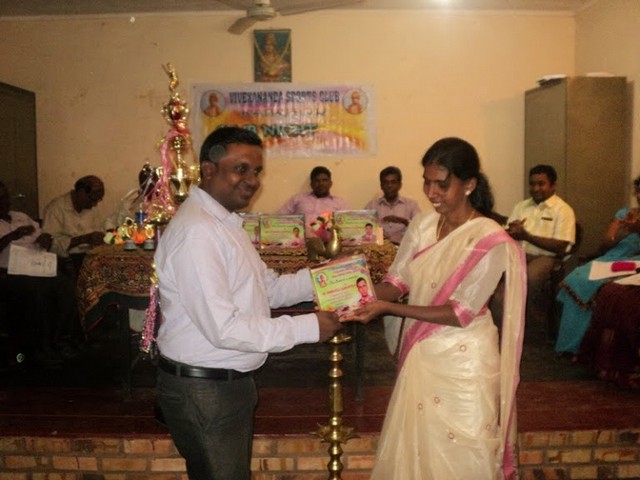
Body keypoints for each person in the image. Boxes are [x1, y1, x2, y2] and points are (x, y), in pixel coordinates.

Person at [154, 126, 342, 480]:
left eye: (256, 171)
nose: (253, 180)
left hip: (223, 385)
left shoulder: (225, 224)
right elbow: (224, 328)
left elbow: (266, 289)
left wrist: (328, 278)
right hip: (206, 390)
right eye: (240, 169)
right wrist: (308, 327)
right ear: (208, 170)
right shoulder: (198, 232)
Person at [349, 137, 526, 479]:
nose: (432, 193)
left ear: (469, 184)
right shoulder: (423, 225)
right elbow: (397, 281)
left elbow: (459, 313)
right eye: (426, 183)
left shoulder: (488, 239)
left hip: (465, 360)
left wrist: (388, 308)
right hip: (423, 356)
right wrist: (354, 295)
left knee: (463, 456)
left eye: (442, 185)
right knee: (417, 450)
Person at [555, 176, 640, 355]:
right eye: (638, 191)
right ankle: (571, 345)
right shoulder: (624, 214)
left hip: (634, 262)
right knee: (577, 278)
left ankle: (587, 347)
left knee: (599, 286)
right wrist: (623, 233)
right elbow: (605, 245)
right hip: (612, 258)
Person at [0, 180, 77, 367]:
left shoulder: (20, 216)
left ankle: (59, 340)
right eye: (0, 199)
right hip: (10, 271)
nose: (5, 202)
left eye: (6, 197)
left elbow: (43, 235)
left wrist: (44, 239)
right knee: (38, 292)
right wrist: (13, 236)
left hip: (37, 264)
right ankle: (41, 347)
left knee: (65, 286)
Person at [506, 164, 575, 325]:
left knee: (531, 276)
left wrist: (526, 236)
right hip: (518, 254)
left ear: (553, 185)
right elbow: (508, 232)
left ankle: (535, 325)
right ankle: (508, 322)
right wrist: (512, 232)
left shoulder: (563, 210)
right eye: (532, 184)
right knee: (495, 271)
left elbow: (561, 246)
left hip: (546, 258)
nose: (535, 188)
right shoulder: (521, 206)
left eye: (541, 184)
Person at [42, 175, 106, 273]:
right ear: (81, 193)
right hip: (65, 260)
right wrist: (82, 239)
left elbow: (100, 233)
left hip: (90, 257)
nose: (95, 204)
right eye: (93, 199)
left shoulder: (93, 210)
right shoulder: (55, 208)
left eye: (98, 200)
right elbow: (49, 244)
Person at [276, 166, 349, 238]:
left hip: (327, 243)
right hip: (300, 241)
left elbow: (347, 228)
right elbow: (278, 218)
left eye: (324, 180)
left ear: (330, 183)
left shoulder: (340, 203)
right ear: (311, 184)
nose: (321, 184)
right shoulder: (298, 198)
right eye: (317, 181)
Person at [365, 166, 421, 245]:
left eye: (393, 182)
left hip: (405, 248)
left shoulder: (411, 205)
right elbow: (363, 230)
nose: (389, 185)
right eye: (385, 182)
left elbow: (420, 228)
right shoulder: (371, 206)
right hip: (379, 248)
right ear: (381, 185)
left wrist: (403, 221)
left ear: (400, 185)